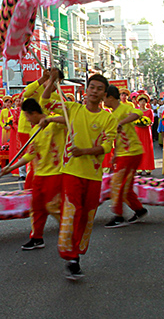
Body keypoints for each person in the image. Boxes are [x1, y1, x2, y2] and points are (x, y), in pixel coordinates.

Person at [41, 69, 117, 280]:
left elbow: (107, 146)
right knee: (72, 211)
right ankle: (70, 256)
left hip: (93, 175)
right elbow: (45, 101)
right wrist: (51, 81)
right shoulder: (72, 109)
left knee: (87, 215)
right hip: (71, 172)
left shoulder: (107, 119)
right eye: (91, 87)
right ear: (86, 90)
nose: (94, 91)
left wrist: (84, 152)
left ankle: (77, 252)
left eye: (99, 89)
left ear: (104, 95)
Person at [3, 98, 65, 250]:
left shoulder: (55, 125)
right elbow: (30, 154)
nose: (28, 119)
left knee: (54, 206)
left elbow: (69, 118)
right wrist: (11, 167)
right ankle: (37, 237)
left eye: (28, 116)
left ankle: (70, 229)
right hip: (39, 175)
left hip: (55, 174)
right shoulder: (34, 130)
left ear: (35, 113)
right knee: (36, 207)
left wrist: (49, 119)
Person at [102, 85, 148, 228]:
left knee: (117, 184)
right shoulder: (112, 114)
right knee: (124, 185)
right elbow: (118, 138)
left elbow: (138, 113)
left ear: (110, 97)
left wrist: (122, 122)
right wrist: (114, 155)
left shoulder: (124, 109)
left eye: (104, 97)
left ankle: (119, 216)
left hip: (131, 153)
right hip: (123, 153)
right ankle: (139, 210)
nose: (102, 101)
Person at [134, 92, 155, 175]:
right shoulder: (136, 110)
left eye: (144, 101)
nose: (142, 103)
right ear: (138, 102)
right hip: (138, 131)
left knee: (147, 148)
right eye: (141, 101)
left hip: (146, 131)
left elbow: (152, 121)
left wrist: (147, 123)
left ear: (146, 102)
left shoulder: (149, 111)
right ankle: (139, 167)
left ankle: (148, 167)